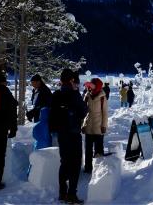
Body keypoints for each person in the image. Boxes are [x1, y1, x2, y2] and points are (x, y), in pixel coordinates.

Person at [50, 69, 87, 204]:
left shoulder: (56, 94)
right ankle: (72, 194)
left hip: (61, 133)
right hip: (73, 133)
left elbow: (51, 114)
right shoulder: (74, 94)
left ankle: (62, 193)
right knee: (75, 164)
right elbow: (84, 111)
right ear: (72, 80)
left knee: (64, 162)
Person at [82, 78, 108, 174]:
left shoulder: (102, 97)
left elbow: (105, 113)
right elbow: (85, 112)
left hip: (98, 127)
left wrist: (104, 126)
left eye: (93, 85)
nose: (91, 87)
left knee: (98, 151)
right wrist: (83, 124)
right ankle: (88, 168)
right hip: (88, 126)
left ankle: (99, 171)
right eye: (90, 85)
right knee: (88, 150)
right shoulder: (87, 95)